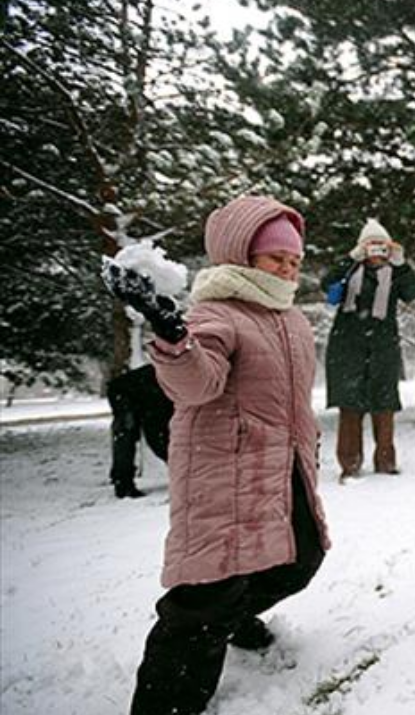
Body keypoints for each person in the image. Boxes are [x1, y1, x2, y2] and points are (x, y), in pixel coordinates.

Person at [102, 195, 331, 715]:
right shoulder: (217, 313)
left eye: (294, 260)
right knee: (203, 602)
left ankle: (233, 619)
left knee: (300, 559)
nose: (288, 268)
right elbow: (195, 385)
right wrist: (172, 336)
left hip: (282, 469)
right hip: (223, 476)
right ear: (241, 256)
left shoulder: (291, 320)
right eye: (276, 258)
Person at [321, 218, 415, 482]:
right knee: (350, 408)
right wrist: (349, 259)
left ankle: (386, 463)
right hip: (347, 347)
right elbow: (326, 285)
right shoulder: (350, 270)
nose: (376, 253)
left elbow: (413, 292)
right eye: (371, 247)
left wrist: (401, 264)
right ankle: (349, 465)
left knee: (384, 405)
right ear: (362, 248)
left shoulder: (395, 274)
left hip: (383, 347)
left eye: (381, 247)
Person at [106, 363, 173, 499]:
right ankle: (123, 484)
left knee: (127, 435)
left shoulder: (172, 385)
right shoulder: (166, 393)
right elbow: (157, 437)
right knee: (127, 434)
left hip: (135, 391)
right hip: (124, 392)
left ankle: (120, 477)